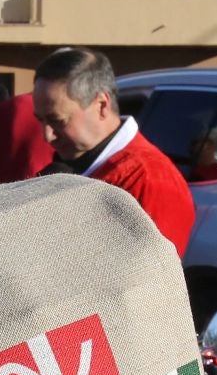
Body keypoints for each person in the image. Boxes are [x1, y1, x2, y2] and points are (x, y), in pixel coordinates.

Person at [32, 46, 196, 257]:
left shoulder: (149, 181)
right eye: (40, 120)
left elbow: (148, 282)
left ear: (102, 104)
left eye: (57, 121)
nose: (47, 135)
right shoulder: (71, 165)